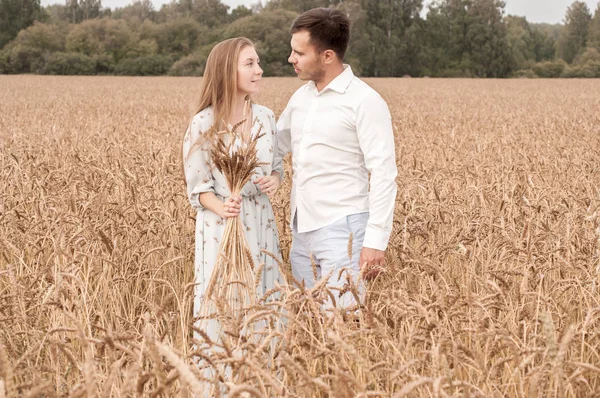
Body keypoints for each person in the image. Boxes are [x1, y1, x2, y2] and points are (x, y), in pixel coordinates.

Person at [276, 8, 398, 307]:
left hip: (343, 230)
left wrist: (374, 242)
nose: (291, 59)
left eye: (299, 53)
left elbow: (384, 173)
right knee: (308, 324)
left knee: (343, 325)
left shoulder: (365, 102)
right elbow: (274, 146)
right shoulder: (301, 97)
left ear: (327, 56)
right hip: (301, 229)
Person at [182, 37, 284, 337]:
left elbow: (276, 167)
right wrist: (223, 207)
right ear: (228, 70)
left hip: (261, 219)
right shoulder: (204, 122)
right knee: (224, 302)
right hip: (221, 225)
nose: (259, 70)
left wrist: (274, 181)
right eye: (250, 64)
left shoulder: (266, 116)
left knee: (264, 299)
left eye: (258, 62)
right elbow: (197, 189)